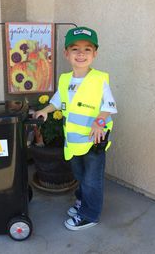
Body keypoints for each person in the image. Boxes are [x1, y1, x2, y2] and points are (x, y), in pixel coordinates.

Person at [35, 26, 117, 231]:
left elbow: (108, 106)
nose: (81, 53)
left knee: (92, 180)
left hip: (93, 140)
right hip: (73, 142)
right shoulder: (65, 79)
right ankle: (83, 202)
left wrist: (99, 123)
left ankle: (90, 214)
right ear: (66, 53)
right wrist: (45, 109)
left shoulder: (99, 79)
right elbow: (57, 100)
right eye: (75, 49)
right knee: (80, 176)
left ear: (94, 54)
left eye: (87, 49)